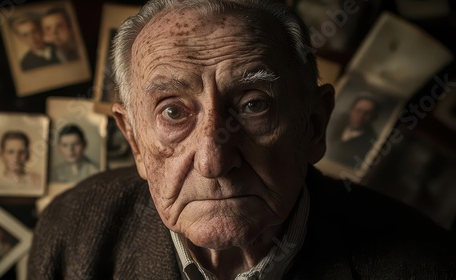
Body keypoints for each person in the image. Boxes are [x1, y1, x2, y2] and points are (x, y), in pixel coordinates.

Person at [29, 0, 456, 279]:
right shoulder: (72, 231)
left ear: (313, 125)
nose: (214, 160)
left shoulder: (424, 265)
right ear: (135, 141)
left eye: (253, 105)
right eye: (173, 112)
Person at [326, 95, 380, 167]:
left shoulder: (372, 144)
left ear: (374, 117)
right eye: (358, 111)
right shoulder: (333, 124)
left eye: (366, 113)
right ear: (351, 110)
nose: (360, 116)